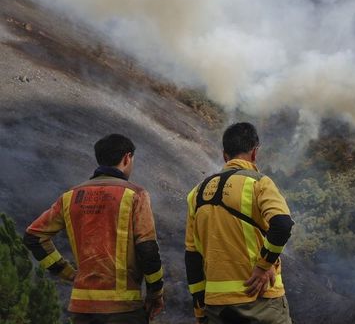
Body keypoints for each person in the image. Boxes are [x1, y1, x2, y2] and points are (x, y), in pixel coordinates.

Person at [24, 134, 165, 324]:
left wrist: (68, 273)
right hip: (123, 308)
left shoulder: (70, 197)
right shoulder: (135, 195)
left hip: (83, 308)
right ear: (127, 158)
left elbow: (34, 236)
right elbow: (147, 249)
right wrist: (155, 292)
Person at [185, 122, 294, 324]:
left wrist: (200, 309)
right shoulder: (259, 183)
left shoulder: (196, 194)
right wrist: (263, 265)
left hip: (218, 306)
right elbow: (282, 224)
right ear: (254, 153)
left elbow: (192, 257)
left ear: (225, 155)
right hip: (260, 301)